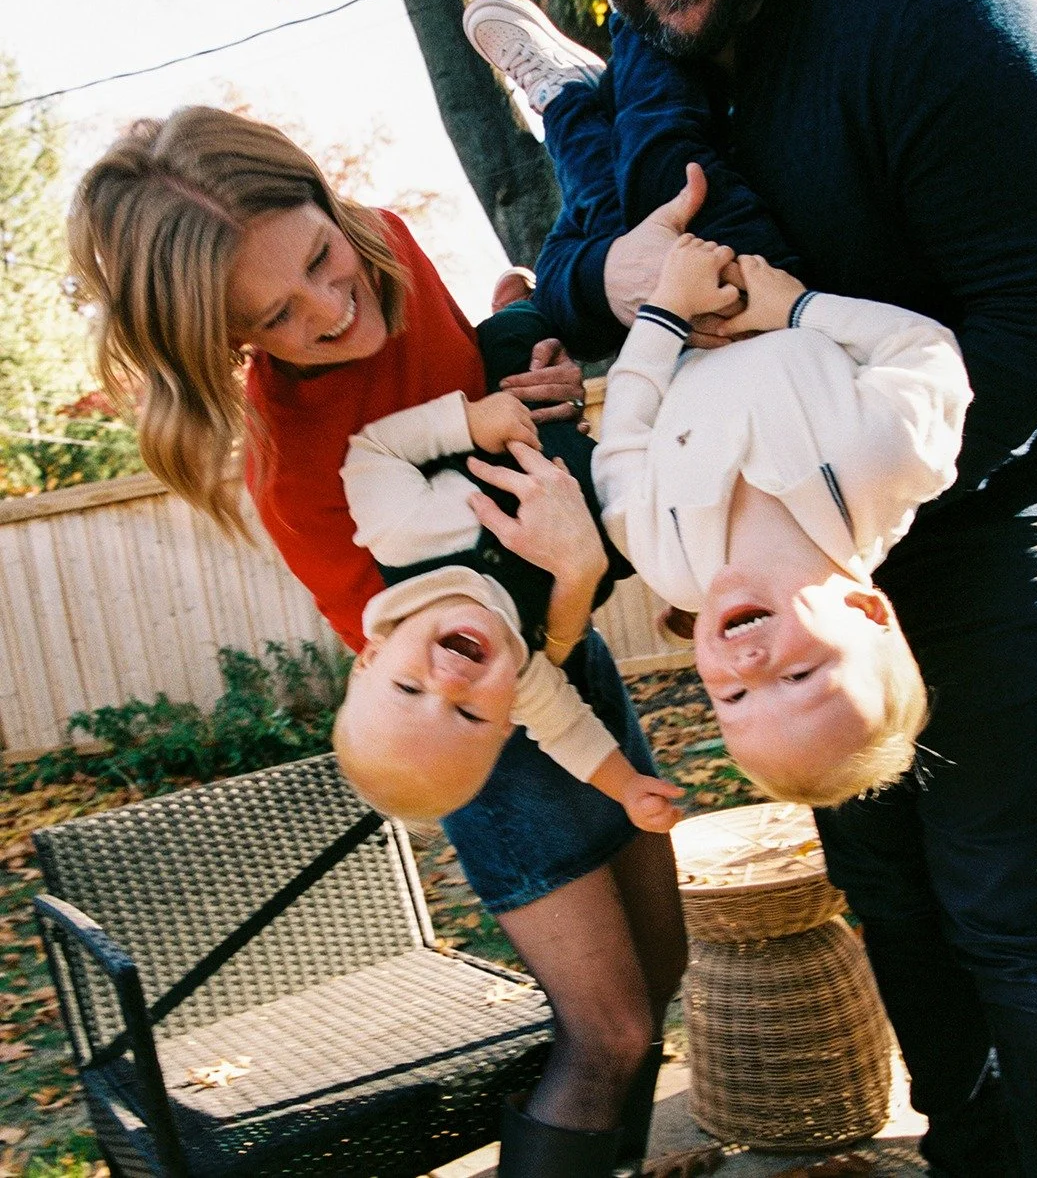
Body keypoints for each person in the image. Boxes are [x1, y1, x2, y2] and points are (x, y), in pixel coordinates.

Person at [475, 0, 1037, 1173]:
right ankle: (970, 1153)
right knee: (886, 896)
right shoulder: (668, 51)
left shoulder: (930, 17)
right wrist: (621, 289)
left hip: (958, 512)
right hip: (807, 553)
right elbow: (584, 269)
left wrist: (842, 512)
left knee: (1008, 902)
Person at [66, 105, 705, 1178]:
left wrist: (530, 381)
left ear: (326, 201)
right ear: (234, 338)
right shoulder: (295, 468)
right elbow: (465, 667)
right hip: (475, 723)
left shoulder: (387, 243)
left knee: (664, 964)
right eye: (278, 311)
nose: (332, 305)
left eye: (320, 257)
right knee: (612, 1031)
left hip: (569, 654)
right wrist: (577, 574)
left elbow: (472, 404)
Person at [593, 231, 970, 806]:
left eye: (734, 699)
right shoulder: (885, 469)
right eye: (798, 678)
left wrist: (665, 311)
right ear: (868, 612)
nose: (748, 664)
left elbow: (623, 434)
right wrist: (796, 307)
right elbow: (922, 348)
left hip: (669, 291)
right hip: (772, 254)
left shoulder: (667, 562)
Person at [334, 307, 683, 831]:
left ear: (373, 655)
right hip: (618, 499)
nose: (450, 684)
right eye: (469, 715)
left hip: (528, 417)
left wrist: (467, 422)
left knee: (514, 335)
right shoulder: (520, 680)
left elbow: (371, 452)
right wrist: (629, 788)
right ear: (503, 726)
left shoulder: (402, 533)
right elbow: (568, 733)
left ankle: (520, 295)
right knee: (674, 531)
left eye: (409, 688)